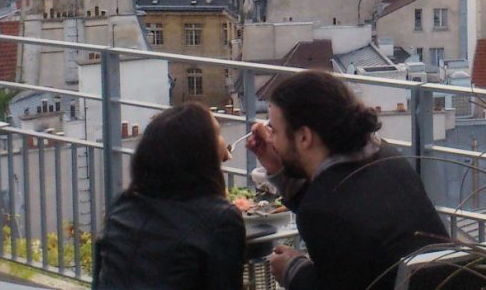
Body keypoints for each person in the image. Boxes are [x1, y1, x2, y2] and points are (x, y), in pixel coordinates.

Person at [247, 70, 448, 290]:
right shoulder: (389, 158)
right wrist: (278, 169)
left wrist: (293, 270)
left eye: (274, 131)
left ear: (304, 137)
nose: (272, 141)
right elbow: (340, 204)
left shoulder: (321, 211)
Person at [94, 103, 245, 290]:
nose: (224, 142)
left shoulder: (121, 206)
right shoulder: (221, 220)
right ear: (201, 154)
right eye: (218, 134)